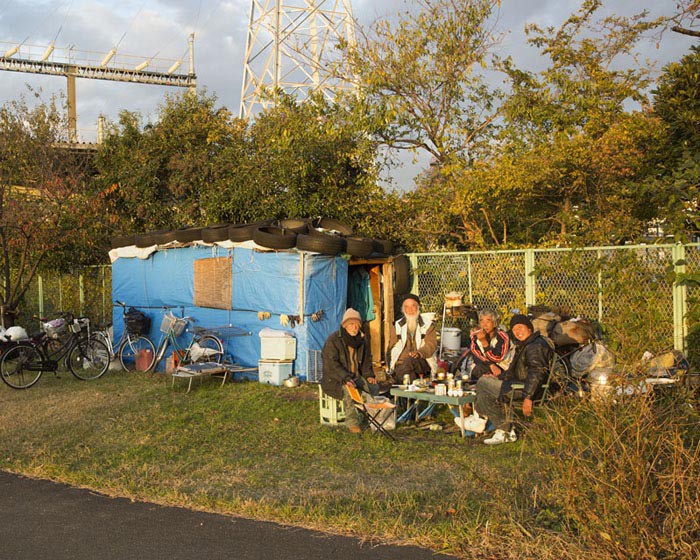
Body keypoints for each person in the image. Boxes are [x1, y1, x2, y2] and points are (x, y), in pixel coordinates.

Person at [472, 314, 553, 445]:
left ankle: (484, 419)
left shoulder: (535, 346)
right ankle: (500, 428)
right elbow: (513, 371)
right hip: (519, 385)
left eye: (520, 328)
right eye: (515, 330)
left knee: (482, 383)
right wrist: (498, 377)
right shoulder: (526, 344)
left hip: (526, 389)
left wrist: (528, 397)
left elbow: (537, 372)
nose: (517, 332)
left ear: (529, 329)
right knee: (485, 387)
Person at [321, 308, 378, 434]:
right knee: (350, 390)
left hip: (355, 377)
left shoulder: (362, 340)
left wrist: (369, 375)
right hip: (335, 379)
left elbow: (366, 362)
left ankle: (370, 419)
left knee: (374, 388)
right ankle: (352, 423)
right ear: (345, 325)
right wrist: (346, 378)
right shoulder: (333, 340)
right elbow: (331, 365)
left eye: (357, 324)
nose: (354, 327)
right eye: (351, 324)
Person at [387, 294, 438, 382]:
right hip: (400, 363)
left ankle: (403, 391)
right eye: (406, 307)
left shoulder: (428, 325)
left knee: (408, 363)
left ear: (418, 307)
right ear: (403, 310)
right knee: (406, 372)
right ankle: (409, 392)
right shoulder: (397, 325)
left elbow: (431, 345)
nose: (410, 310)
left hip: (422, 361)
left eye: (413, 306)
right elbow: (391, 346)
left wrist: (419, 353)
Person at [456, 309, 513, 381]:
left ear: (494, 323)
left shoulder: (502, 336)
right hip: (485, 365)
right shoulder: (476, 335)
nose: (484, 324)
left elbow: (497, 358)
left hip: (503, 366)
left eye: (488, 321)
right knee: (477, 369)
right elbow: (477, 356)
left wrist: (484, 343)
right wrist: (490, 365)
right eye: (481, 321)